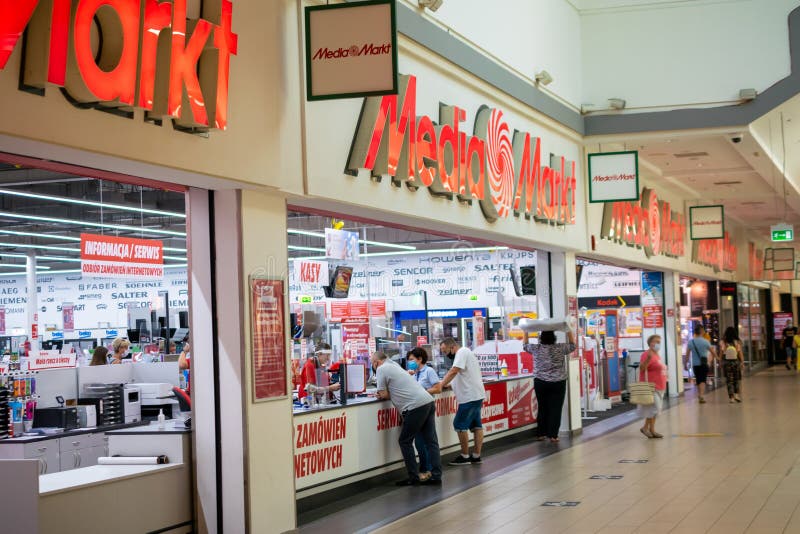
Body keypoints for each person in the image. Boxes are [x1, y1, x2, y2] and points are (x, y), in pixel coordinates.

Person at [372, 351, 442, 486]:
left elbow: (384, 394)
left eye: (372, 363)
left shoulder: (381, 369)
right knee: (431, 441)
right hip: (427, 401)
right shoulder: (393, 365)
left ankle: (413, 477)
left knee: (405, 441)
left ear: (376, 362)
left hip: (414, 407)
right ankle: (436, 475)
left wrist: (384, 394)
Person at [439, 337, 486, 465]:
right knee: (476, 426)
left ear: (452, 347)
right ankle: (476, 456)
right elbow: (461, 375)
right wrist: (448, 384)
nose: (444, 354)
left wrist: (441, 384)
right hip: (475, 395)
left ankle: (464, 456)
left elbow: (454, 370)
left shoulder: (462, 352)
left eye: (444, 350)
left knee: (459, 424)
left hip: (469, 397)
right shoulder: (465, 353)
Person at [524, 330, 576, 443]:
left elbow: (524, 345)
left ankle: (541, 434)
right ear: (554, 338)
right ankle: (553, 435)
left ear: (541, 338)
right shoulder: (560, 348)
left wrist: (526, 331)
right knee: (556, 409)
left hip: (540, 382)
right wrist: (568, 331)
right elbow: (573, 346)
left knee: (542, 407)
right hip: (558, 382)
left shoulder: (536, 348)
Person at [406, 347, 442, 479]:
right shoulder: (413, 374)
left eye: (411, 359)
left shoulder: (429, 371)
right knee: (419, 442)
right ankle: (425, 469)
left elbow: (438, 388)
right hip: (416, 408)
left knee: (430, 441)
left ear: (420, 359)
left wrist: (422, 393)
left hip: (426, 407)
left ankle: (434, 472)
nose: (410, 362)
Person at [638, 334, 668, 439]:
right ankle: (646, 428)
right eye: (656, 342)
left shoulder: (657, 355)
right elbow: (641, 368)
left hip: (660, 386)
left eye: (659, 342)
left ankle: (651, 429)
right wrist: (648, 359)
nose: (658, 344)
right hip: (651, 386)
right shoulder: (646, 354)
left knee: (654, 410)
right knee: (656, 408)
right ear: (650, 343)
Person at [686, 325, 716, 404]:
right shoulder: (705, 341)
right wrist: (717, 357)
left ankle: (700, 394)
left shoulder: (691, 342)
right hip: (703, 363)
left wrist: (685, 363)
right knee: (703, 379)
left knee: (698, 379)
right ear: (702, 331)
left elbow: (687, 354)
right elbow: (712, 351)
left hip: (695, 365)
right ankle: (701, 395)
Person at [720, 327, 744, 403]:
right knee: (736, 379)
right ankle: (737, 395)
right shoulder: (737, 342)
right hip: (736, 362)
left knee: (729, 380)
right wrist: (742, 362)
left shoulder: (723, 342)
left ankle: (731, 398)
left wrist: (720, 362)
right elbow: (740, 353)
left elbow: (721, 353)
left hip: (727, 363)